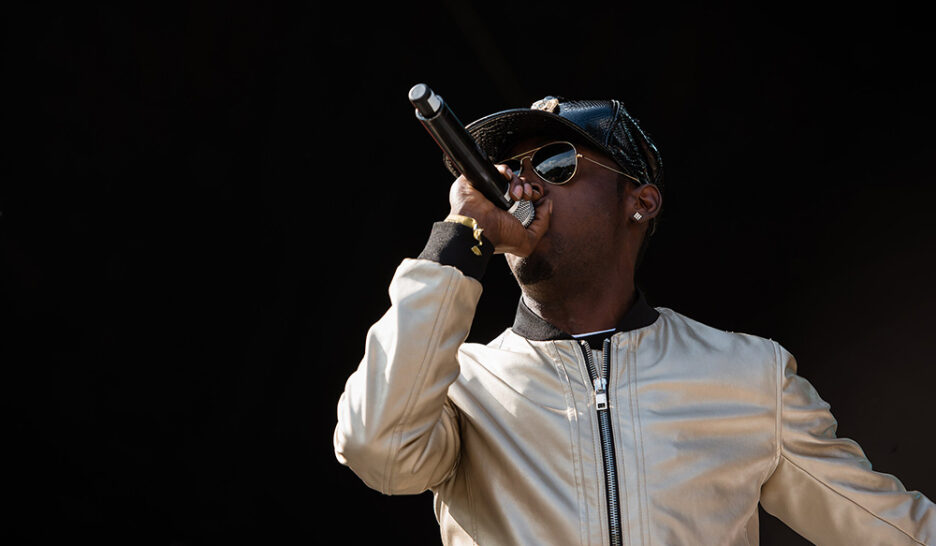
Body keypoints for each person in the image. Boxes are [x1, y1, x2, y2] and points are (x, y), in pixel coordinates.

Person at [333, 96, 936, 545]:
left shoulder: (750, 376)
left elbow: (895, 532)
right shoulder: (459, 384)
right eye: (509, 168)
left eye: (556, 162)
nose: (522, 186)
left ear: (639, 202)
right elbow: (375, 447)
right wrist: (459, 237)